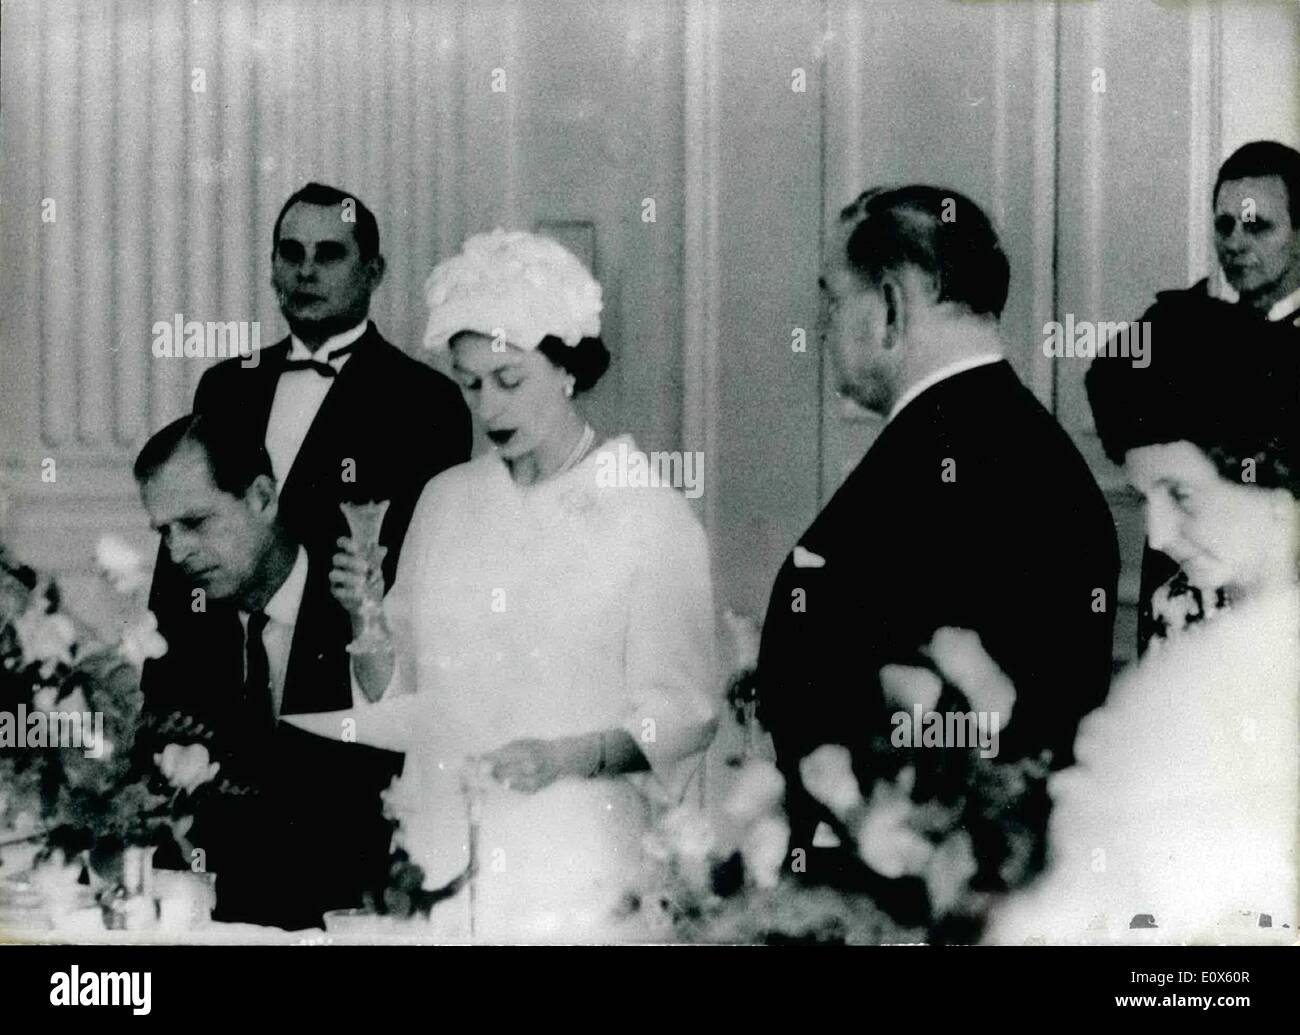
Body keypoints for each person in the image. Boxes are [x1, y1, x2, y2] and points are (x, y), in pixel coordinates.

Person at [288, 230, 719, 942]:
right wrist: (364, 616)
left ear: (568, 369)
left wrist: (564, 755)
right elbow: (400, 695)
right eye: (469, 382)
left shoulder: (646, 510)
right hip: (443, 842)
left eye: (509, 380)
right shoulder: (446, 499)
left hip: (576, 852)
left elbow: (683, 714)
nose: (488, 408)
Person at [756, 186, 1119, 922]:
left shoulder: (944, 457)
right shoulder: (1010, 442)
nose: (822, 328)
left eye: (831, 300)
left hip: (918, 902)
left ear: (889, 305)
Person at [984, 330, 1300, 944]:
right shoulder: (1180, 605)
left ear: (1276, 480)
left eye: (1181, 494)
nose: (1155, 537)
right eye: (1144, 497)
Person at [134, 414, 402, 930]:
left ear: (262, 497)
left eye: (194, 523)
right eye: (164, 532)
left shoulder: (359, 606)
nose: (177, 552)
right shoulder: (181, 625)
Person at [1134, 141, 1300, 651]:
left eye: (1257, 226)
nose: (1235, 243)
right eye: (1224, 225)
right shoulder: (1173, 328)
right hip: (1183, 602)